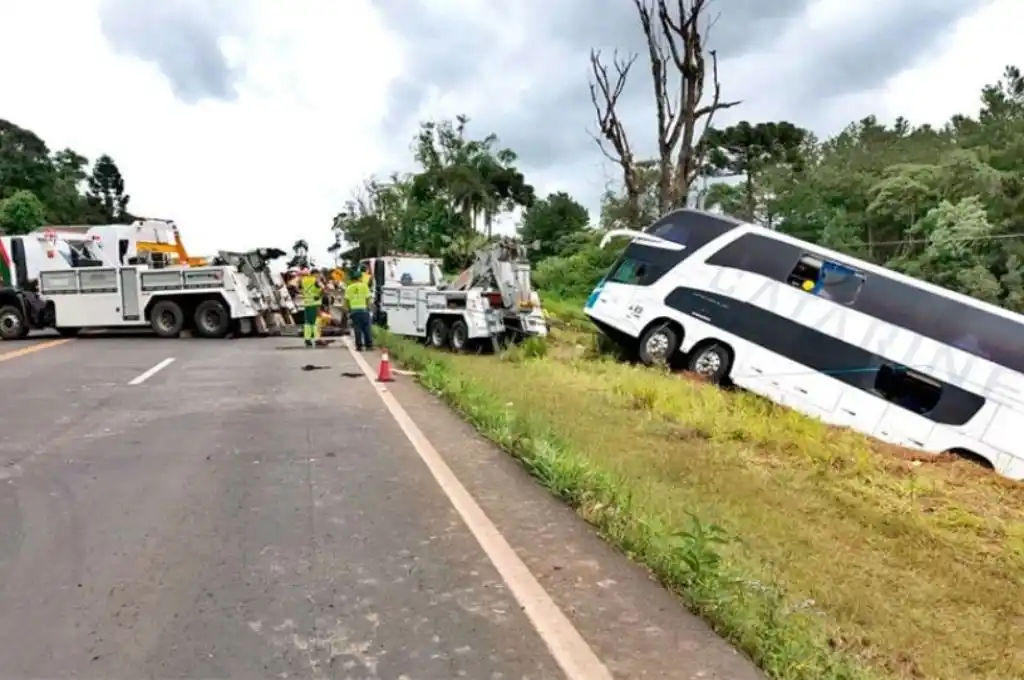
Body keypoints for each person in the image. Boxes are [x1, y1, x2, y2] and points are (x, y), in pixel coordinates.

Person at [345, 267, 373, 351]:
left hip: (354, 311)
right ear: (360, 278)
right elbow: (368, 298)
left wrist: (349, 310)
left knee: (357, 329)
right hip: (364, 310)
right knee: (366, 328)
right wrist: (369, 308)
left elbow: (347, 300)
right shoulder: (364, 286)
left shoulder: (349, 288)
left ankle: (359, 346)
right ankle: (369, 345)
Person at [300, 267, 323, 347]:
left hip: (307, 304)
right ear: (315, 274)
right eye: (318, 274)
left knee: (308, 322)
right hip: (315, 304)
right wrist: (320, 293)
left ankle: (307, 339)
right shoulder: (316, 280)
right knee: (317, 321)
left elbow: (300, 288)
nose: (319, 275)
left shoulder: (304, 280)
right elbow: (323, 288)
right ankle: (317, 339)